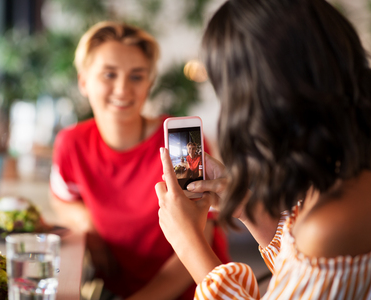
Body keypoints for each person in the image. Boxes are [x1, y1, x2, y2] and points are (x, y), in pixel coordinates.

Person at [156, 0, 371, 299]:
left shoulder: (330, 225)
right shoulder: (343, 165)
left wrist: (189, 243)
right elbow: (298, 278)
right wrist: (250, 210)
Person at [49, 21, 230, 300]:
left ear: (149, 84)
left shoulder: (181, 143)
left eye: (136, 76)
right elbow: (62, 197)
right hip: (119, 291)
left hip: (195, 293)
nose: (122, 89)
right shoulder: (71, 144)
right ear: (83, 81)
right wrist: (89, 227)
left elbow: (200, 237)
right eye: (109, 74)